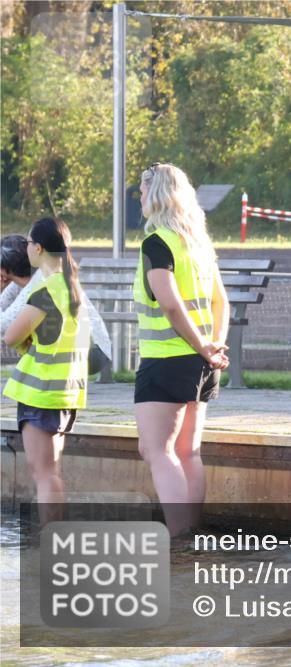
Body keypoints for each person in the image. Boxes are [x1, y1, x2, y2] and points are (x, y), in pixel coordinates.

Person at [134, 162, 229, 537]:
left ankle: (178, 537)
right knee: (189, 451)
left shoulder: (156, 243)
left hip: (167, 360)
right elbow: (222, 301)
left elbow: (170, 304)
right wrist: (213, 346)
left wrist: (204, 346)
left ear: (155, 195)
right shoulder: (198, 243)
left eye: (141, 192)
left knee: (157, 451)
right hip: (203, 362)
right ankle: (193, 534)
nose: (139, 199)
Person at [3, 219, 91, 525]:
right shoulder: (71, 285)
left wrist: (26, 345)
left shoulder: (46, 288)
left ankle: (50, 542)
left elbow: (11, 336)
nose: (26, 248)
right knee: (49, 471)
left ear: (38, 248)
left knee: (44, 474)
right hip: (64, 390)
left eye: (28, 243)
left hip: (42, 392)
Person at [3, 234, 112, 375]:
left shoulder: (40, 279)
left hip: (93, 352)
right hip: (83, 347)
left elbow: (5, 328)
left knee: (24, 332)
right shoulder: (30, 279)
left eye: (30, 243)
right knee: (27, 329)